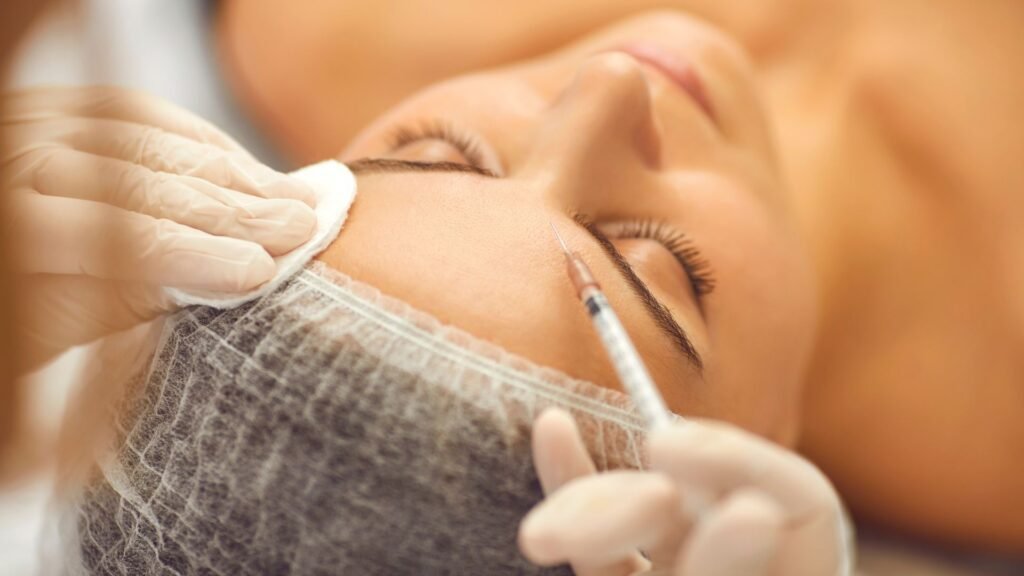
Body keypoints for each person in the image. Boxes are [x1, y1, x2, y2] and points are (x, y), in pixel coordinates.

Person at [220, 2, 1024, 551]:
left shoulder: (336, 32)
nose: (608, 85)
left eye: (442, 153)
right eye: (655, 263)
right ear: (761, 447)